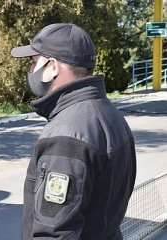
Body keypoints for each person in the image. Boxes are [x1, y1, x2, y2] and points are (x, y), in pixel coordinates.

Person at [11, 23, 136, 239]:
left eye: (33, 63)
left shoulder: (66, 135)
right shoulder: (109, 114)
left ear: (52, 67)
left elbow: (53, 231)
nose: (30, 70)